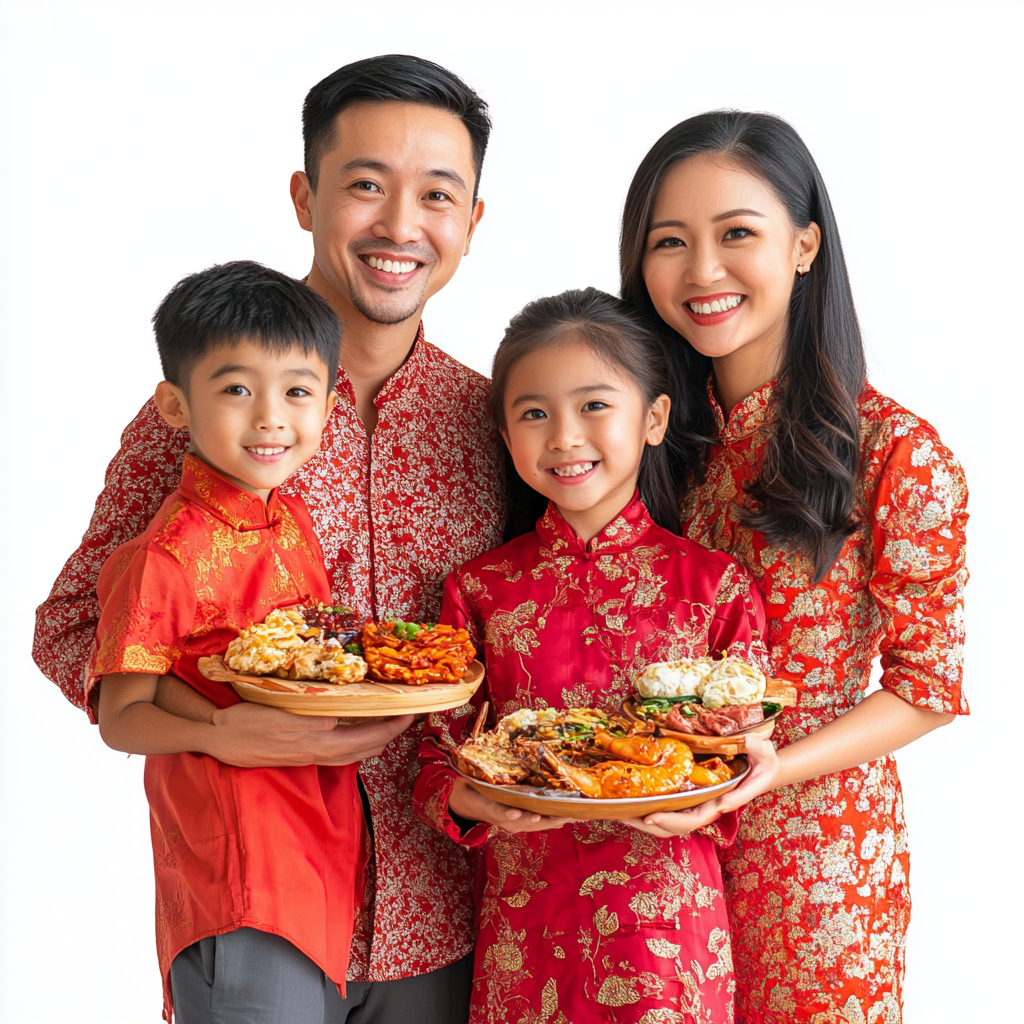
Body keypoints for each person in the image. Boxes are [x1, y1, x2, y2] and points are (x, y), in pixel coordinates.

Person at [33, 55, 502, 1022]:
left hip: (445, 903)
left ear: (470, 223)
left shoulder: (500, 422)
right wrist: (226, 731)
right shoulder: (203, 408)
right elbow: (73, 625)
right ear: (305, 196)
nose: (399, 225)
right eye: (365, 185)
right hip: (256, 893)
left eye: (436, 195)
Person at [618, 111, 969, 1023]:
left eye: (738, 233)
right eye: (670, 241)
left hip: (817, 855)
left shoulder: (895, 453)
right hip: (648, 836)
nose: (702, 271)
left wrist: (770, 772)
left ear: (805, 244)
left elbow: (927, 689)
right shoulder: (645, 440)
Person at [413, 288, 770, 1024]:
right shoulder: (480, 590)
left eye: (594, 406)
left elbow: (744, 754)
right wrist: (467, 800)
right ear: (506, 433)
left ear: (656, 418)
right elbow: (435, 755)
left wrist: (713, 795)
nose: (564, 436)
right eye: (534, 413)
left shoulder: (715, 586)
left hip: (667, 927)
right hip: (524, 921)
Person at [90, 260, 376, 1021]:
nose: (270, 418)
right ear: (175, 405)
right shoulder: (162, 554)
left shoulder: (294, 525)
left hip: (314, 845)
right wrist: (224, 732)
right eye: (237, 389)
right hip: (233, 869)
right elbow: (122, 716)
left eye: (296, 391)